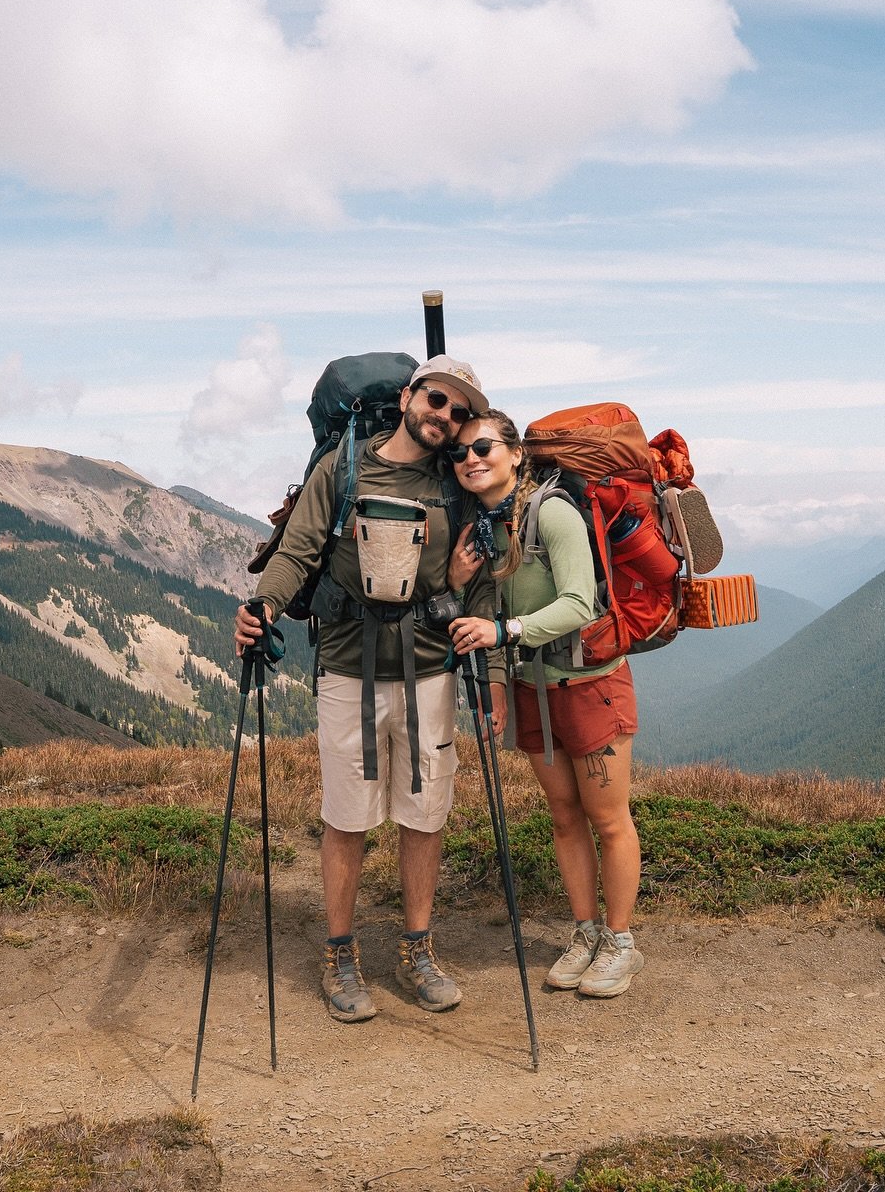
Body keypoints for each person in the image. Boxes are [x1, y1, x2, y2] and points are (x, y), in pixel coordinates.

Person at [234, 355, 506, 1025]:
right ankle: (339, 954)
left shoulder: (456, 485)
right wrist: (263, 608)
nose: (445, 416)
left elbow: (480, 585)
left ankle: (418, 949)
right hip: (347, 670)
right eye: (437, 400)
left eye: (459, 412)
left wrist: (492, 680)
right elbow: (297, 551)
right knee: (347, 817)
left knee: (425, 815)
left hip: (432, 672)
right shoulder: (342, 468)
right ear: (410, 395)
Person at [445, 410, 645, 998]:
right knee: (563, 816)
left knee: (608, 819)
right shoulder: (488, 527)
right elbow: (491, 613)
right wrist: (497, 687)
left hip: (591, 685)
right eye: (459, 453)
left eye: (483, 447)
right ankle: (585, 933)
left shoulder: (551, 512)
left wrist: (504, 634)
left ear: (514, 454)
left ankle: (620, 942)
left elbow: (580, 603)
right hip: (533, 688)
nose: (470, 459)